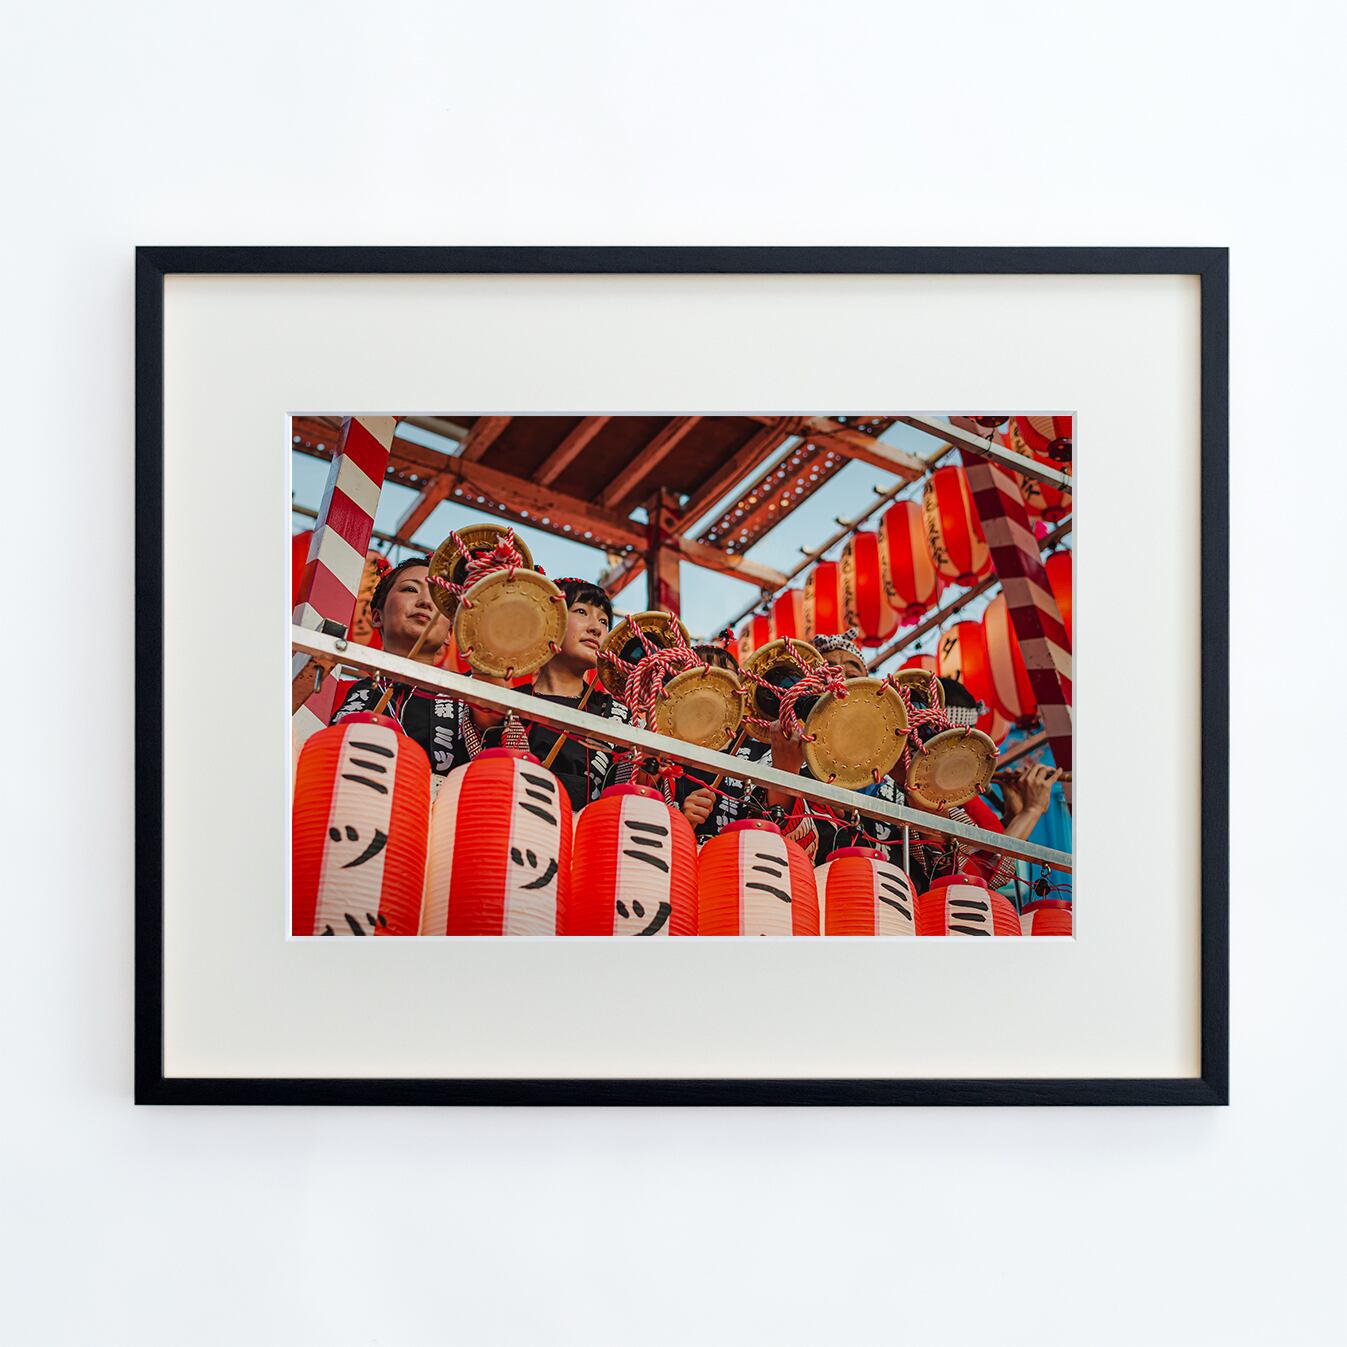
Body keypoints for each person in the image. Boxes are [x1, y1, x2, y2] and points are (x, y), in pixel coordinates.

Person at [329, 556, 499, 783]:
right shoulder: (335, 692)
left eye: (438, 599)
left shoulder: (469, 697)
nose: (426, 603)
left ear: (450, 633)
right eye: (410, 589)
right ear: (377, 616)